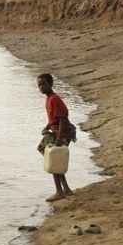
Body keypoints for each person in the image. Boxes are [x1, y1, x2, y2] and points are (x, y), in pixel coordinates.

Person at [37, 73, 76, 202]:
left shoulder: (54, 99)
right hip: (56, 130)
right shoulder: (48, 99)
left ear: (51, 84)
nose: (41, 87)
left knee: (53, 159)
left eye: (44, 84)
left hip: (63, 132)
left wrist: (59, 139)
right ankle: (66, 189)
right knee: (52, 157)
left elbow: (62, 119)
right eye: (39, 85)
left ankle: (59, 191)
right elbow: (53, 119)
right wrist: (46, 127)